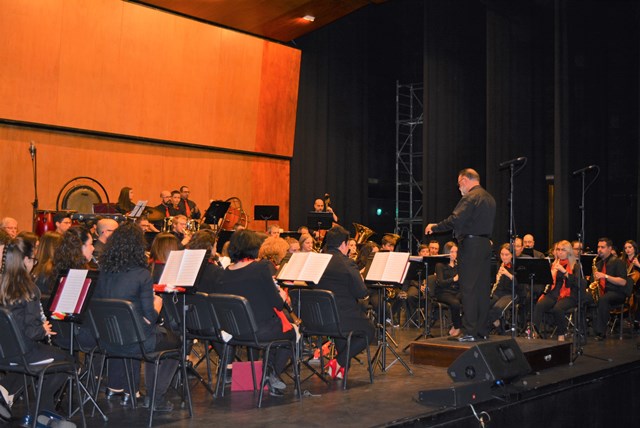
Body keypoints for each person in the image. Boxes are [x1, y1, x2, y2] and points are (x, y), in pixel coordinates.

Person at [93, 222, 179, 411]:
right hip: (136, 341)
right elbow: (150, 318)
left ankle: (124, 388)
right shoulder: (141, 275)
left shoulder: (102, 273)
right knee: (176, 343)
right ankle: (154, 397)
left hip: (107, 341)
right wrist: (158, 304)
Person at [210, 230, 295, 396]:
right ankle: (270, 373)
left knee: (276, 328)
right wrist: (283, 295)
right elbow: (277, 304)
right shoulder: (261, 268)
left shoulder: (226, 271)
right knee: (290, 334)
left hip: (235, 332)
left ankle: (268, 373)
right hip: (258, 331)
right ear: (254, 248)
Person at [0, 237, 74, 423]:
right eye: (33, 260)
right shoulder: (28, 289)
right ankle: (40, 413)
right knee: (66, 362)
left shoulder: (2, 284)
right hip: (23, 351)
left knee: (45, 357)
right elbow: (32, 333)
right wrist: (43, 329)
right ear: (25, 260)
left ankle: (4, 389)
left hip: (4, 352)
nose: (34, 264)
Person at [425, 168, 496, 342]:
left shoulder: (470, 197)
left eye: (459, 184)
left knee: (469, 289)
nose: (459, 189)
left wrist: (434, 227)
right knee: (482, 288)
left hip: (471, 245)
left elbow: (455, 219)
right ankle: (481, 330)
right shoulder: (490, 198)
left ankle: (470, 331)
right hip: (485, 245)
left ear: (464, 180)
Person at [315, 225, 375, 379]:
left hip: (316, 319)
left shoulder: (316, 261)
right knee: (368, 330)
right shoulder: (346, 263)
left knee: (344, 333)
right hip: (340, 317)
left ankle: (342, 368)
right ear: (343, 244)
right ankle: (339, 362)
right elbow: (361, 293)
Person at [532, 240, 584, 341]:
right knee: (539, 305)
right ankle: (535, 332)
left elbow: (579, 284)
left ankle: (561, 334)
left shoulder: (575, 266)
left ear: (568, 252)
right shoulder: (554, 264)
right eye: (558, 250)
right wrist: (551, 273)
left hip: (570, 295)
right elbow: (548, 282)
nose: (560, 252)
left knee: (558, 308)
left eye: (563, 250)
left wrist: (564, 272)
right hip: (554, 293)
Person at [592, 237, 630, 340]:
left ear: (609, 248)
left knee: (604, 299)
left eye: (602, 247)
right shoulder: (599, 263)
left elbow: (623, 282)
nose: (599, 249)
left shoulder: (618, 262)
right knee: (586, 297)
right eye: (598, 247)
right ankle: (587, 329)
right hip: (604, 292)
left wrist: (605, 276)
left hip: (618, 292)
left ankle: (601, 333)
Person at [487, 244, 521, 334]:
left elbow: (520, 284)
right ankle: (498, 325)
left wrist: (508, 274)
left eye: (507, 255)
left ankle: (499, 330)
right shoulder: (498, 265)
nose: (504, 257)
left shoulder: (517, 266)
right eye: (502, 254)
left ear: (512, 255)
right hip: (497, 292)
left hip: (511, 294)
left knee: (497, 308)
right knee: (483, 305)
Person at [434, 242, 463, 337]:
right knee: (455, 303)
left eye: (456, 252)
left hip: (456, 291)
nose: (454, 254)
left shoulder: (459, 265)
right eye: (451, 252)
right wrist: (454, 279)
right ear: (446, 252)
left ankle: (463, 325)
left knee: (470, 298)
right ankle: (457, 326)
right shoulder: (440, 265)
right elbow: (441, 283)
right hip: (443, 292)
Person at [621, 240, 640, 329]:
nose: (627, 250)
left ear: (635, 248)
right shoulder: (622, 260)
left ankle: (636, 319)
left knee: (637, 297)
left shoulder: (638, 258)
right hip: (624, 285)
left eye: (630, 247)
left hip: (637, 286)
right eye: (625, 248)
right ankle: (616, 317)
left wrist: (638, 265)